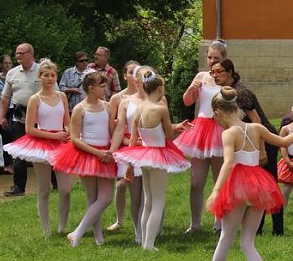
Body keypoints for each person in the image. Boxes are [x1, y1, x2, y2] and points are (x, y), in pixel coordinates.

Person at [195, 87, 293, 261]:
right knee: (247, 242)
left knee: (226, 237)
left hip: (239, 187)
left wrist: (215, 191)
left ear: (218, 113)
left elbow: (229, 162)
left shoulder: (229, 133)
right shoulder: (256, 128)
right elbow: (284, 142)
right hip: (258, 186)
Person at [113, 71, 191, 250]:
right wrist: (179, 129)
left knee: (148, 200)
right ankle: (149, 244)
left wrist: (131, 164)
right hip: (157, 154)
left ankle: (144, 240)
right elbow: (168, 136)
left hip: (143, 154)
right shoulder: (160, 108)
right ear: (159, 88)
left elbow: (133, 140)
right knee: (158, 201)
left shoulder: (139, 108)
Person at [211, 58, 283, 236]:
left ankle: (277, 229)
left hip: (262, 139)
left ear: (230, 72)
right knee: (255, 186)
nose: (215, 75)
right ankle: (255, 229)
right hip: (250, 138)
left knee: (269, 184)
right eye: (212, 72)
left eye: (219, 71)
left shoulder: (241, 93)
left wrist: (262, 150)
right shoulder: (227, 94)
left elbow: (256, 120)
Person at [50, 72, 122, 246]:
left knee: (105, 197)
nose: (105, 89)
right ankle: (99, 238)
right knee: (92, 197)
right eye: (102, 86)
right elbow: (75, 138)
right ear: (91, 88)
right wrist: (97, 153)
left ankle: (77, 232)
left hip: (105, 153)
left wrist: (110, 151)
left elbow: (114, 131)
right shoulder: (80, 109)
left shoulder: (106, 107)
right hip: (88, 154)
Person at [3, 59, 72, 235]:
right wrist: (53, 135)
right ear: (39, 77)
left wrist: (70, 134)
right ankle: (46, 230)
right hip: (41, 144)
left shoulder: (62, 96)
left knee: (65, 189)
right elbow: (29, 129)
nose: (50, 78)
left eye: (53, 75)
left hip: (61, 143)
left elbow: (67, 122)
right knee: (44, 188)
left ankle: (62, 227)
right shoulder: (35, 99)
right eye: (46, 75)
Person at [177, 39, 227, 233]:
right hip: (200, 128)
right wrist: (192, 88)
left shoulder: (226, 79)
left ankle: (219, 221)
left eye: (216, 58)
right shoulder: (201, 76)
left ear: (224, 59)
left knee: (218, 179)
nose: (212, 61)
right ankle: (195, 223)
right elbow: (188, 102)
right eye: (209, 57)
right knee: (196, 181)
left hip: (219, 128)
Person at [107, 61, 144, 240]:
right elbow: (115, 127)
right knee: (123, 184)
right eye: (131, 72)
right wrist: (123, 144)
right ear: (124, 76)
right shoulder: (119, 99)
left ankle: (151, 226)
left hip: (145, 146)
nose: (134, 75)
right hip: (126, 146)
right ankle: (121, 219)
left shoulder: (151, 97)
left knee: (148, 190)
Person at [0, 43, 41, 196]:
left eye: (21, 53)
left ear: (30, 54)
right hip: (18, 116)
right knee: (18, 152)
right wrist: (2, 116)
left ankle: (56, 183)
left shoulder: (42, 70)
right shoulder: (12, 73)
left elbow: (55, 94)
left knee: (44, 150)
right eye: (16, 53)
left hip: (40, 116)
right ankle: (19, 187)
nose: (18, 56)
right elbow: (5, 97)